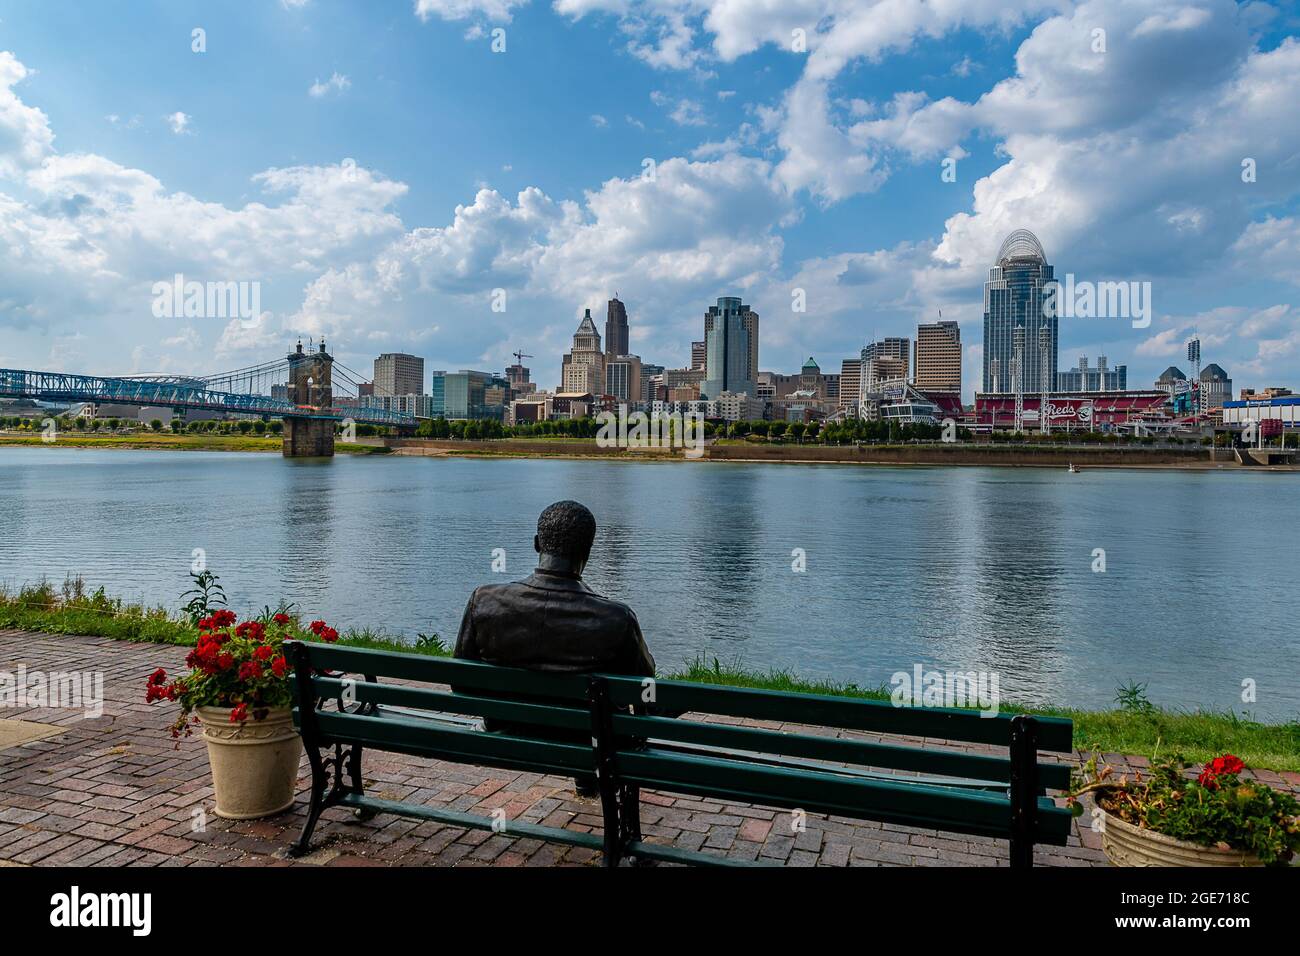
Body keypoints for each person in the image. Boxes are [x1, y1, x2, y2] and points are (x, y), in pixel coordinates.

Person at [453, 500, 655, 795]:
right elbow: (644, 687)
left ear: (537, 544)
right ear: (588, 550)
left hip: (506, 727)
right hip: (588, 737)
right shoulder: (616, 618)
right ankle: (590, 779)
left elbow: (460, 684)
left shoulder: (483, 600)